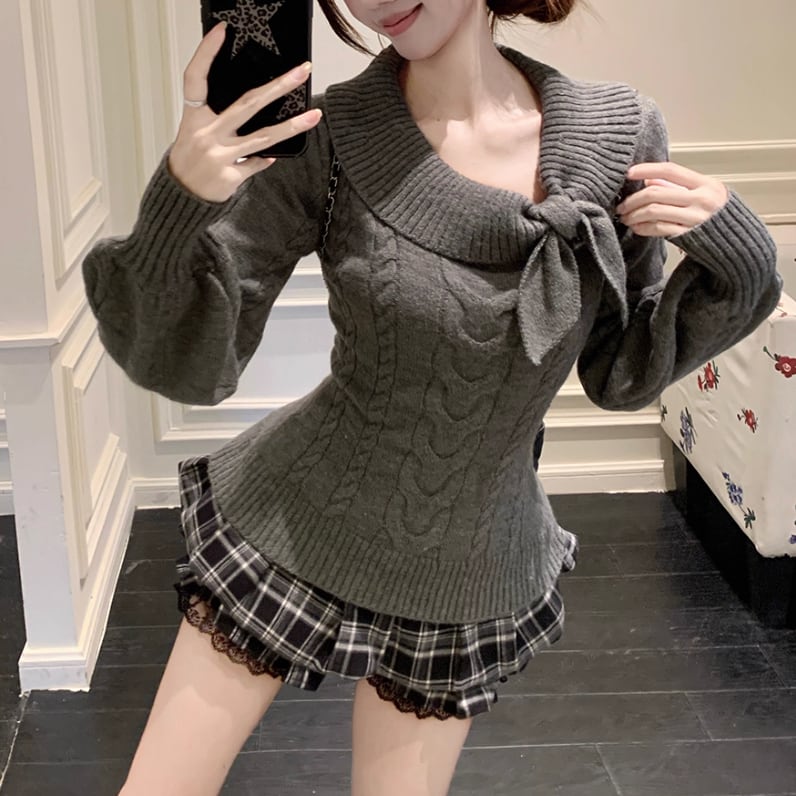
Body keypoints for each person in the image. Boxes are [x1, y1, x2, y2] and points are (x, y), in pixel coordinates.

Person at [83, 0, 783, 793]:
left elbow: (622, 371)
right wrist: (181, 197)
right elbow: (188, 365)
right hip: (297, 522)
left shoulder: (619, 136)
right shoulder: (330, 137)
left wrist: (741, 262)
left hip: (468, 566)